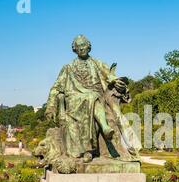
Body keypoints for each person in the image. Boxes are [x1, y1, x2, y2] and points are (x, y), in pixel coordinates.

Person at [44, 35, 141, 163]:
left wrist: (117, 82)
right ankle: (103, 130)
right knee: (90, 97)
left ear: (88, 47)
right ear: (74, 49)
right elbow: (56, 88)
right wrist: (50, 107)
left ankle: (93, 147)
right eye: (78, 46)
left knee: (92, 97)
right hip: (74, 98)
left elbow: (110, 76)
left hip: (96, 98)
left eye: (83, 45)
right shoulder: (68, 67)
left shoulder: (98, 64)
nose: (81, 48)